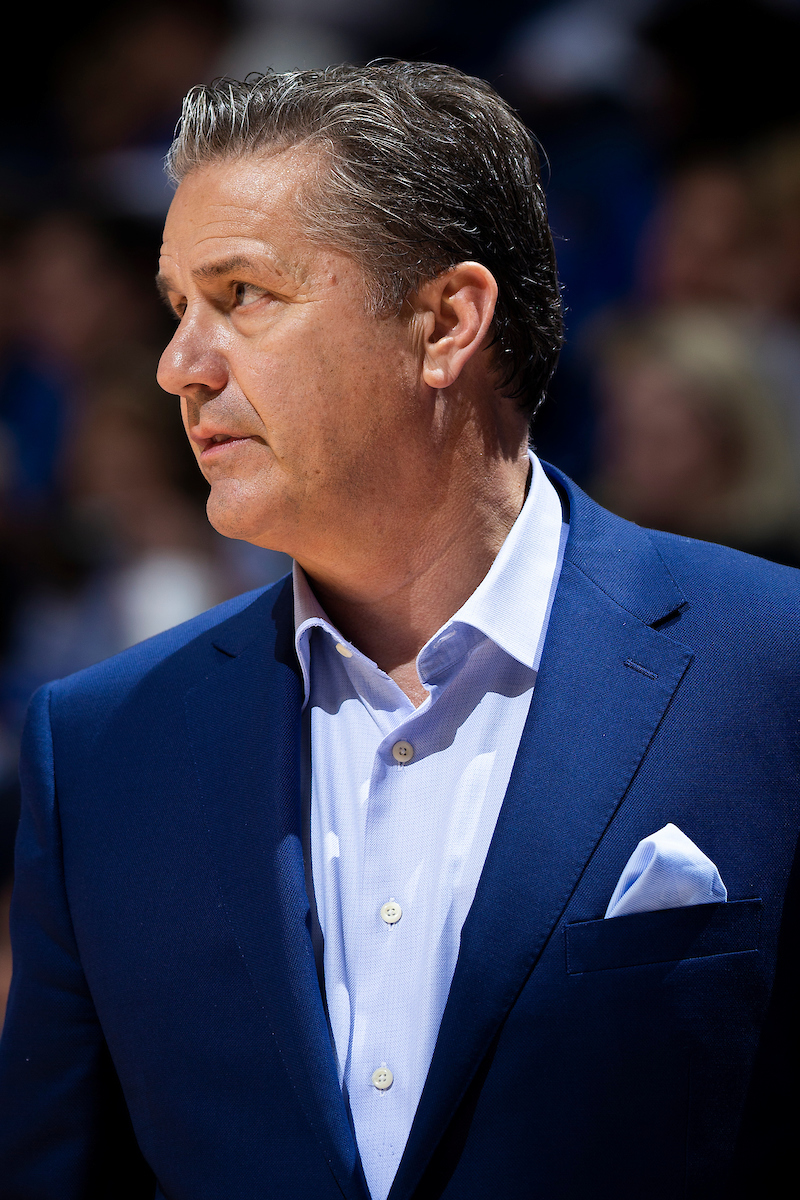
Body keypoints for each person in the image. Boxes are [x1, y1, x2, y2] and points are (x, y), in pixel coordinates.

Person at [0, 61, 797, 1200]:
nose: (179, 364)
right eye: (178, 307)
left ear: (444, 323)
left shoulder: (772, 666)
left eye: (240, 295)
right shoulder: (98, 750)